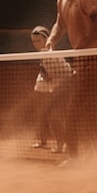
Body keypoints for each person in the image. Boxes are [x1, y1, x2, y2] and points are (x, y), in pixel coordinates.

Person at [44, 0, 97, 164]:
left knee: (73, 112)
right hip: (81, 63)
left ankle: (75, 158)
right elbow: (59, 24)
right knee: (90, 112)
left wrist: (83, 43)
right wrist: (51, 41)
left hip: (96, 61)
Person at [30, 25, 72, 153]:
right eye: (34, 41)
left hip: (66, 85)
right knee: (42, 112)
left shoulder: (53, 55)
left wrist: (56, 86)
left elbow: (67, 74)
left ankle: (63, 143)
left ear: (46, 39)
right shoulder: (43, 55)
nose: (36, 44)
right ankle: (43, 140)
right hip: (53, 85)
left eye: (39, 40)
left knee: (56, 115)